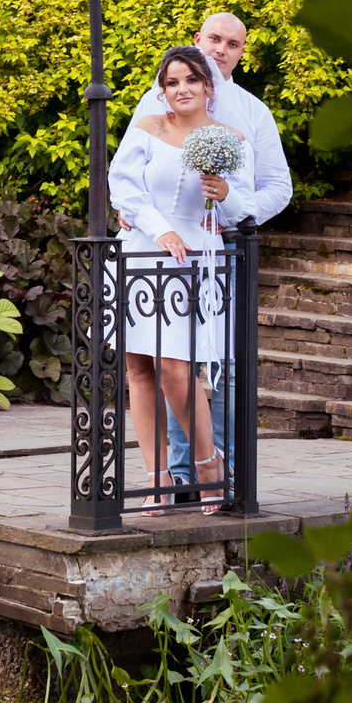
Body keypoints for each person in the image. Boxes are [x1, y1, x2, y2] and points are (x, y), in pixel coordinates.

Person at [127, 11, 293, 497]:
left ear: (243, 53)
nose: (222, 49)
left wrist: (235, 215)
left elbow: (278, 187)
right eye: (215, 39)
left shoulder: (252, 113)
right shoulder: (159, 102)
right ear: (198, 40)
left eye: (233, 44)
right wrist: (140, 216)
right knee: (167, 363)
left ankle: (227, 477)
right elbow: (133, 176)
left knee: (221, 366)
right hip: (163, 252)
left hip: (224, 252)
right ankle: (182, 476)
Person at [105, 45, 235, 512]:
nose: (182, 89)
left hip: (192, 263)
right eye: (172, 82)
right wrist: (157, 230)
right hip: (140, 253)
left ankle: (207, 465)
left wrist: (224, 192)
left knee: (177, 372)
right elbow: (123, 184)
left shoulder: (227, 137)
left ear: (208, 86)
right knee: (139, 369)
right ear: (162, 90)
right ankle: (156, 479)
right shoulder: (147, 127)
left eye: (191, 80)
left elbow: (239, 212)